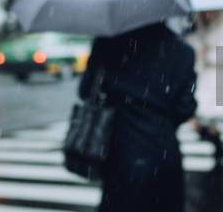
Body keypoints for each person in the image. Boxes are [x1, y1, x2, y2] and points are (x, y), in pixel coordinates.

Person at [79, 22, 197, 212]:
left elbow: (86, 91)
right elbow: (186, 108)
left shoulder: (109, 44)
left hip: (120, 149)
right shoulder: (183, 51)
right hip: (164, 152)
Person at [187, 10, 223, 162]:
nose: (208, 15)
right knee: (197, 119)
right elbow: (191, 50)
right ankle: (219, 148)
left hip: (216, 79)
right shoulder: (197, 29)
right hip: (201, 78)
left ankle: (219, 150)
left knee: (210, 119)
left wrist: (207, 53)